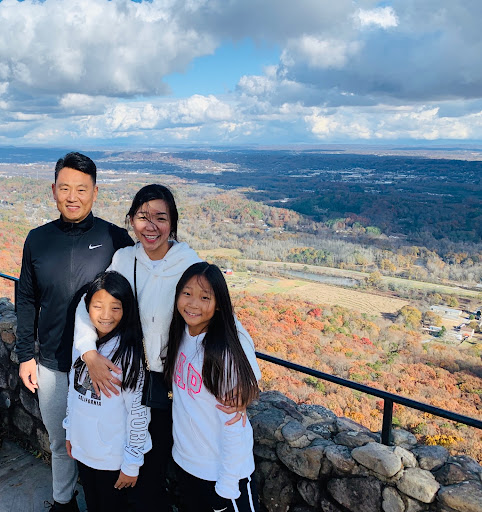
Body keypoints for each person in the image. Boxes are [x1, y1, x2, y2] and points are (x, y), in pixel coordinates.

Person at [74, 184, 256, 511]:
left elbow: (230, 324)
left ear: (173, 222)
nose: (151, 226)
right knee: (130, 464)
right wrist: (88, 352)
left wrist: (246, 383)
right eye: (143, 217)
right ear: (131, 220)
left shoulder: (188, 264)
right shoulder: (124, 259)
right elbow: (91, 304)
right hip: (131, 378)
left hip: (172, 386)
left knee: (156, 468)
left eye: (161, 217)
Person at [16, 152, 134, 511]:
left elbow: (136, 296)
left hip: (101, 366)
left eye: (81, 189)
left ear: (95, 192)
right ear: (53, 190)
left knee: (106, 440)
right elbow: (25, 299)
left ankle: (108, 504)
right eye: (64, 188)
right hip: (52, 362)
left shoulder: (116, 239)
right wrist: (25, 356)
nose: (72, 196)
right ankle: (63, 502)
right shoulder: (37, 239)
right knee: (59, 441)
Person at [164, 262, 260, 512]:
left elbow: (233, 423)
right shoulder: (182, 333)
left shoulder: (223, 352)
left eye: (205, 297)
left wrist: (227, 485)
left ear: (219, 304)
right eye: (187, 294)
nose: (193, 304)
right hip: (187, 464)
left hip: (223, 475)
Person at [63, 271, 152, 512]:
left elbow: (138, 413)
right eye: (98, 306)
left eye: (115, 307)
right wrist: (70, 430)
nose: (105, 315)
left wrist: (132, 462)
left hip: (112, 459)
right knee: (93, 504)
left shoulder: (128, 354)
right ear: (87, 308)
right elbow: (73, 390)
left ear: (126, 310)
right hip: (84, 449)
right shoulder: (83, 347)